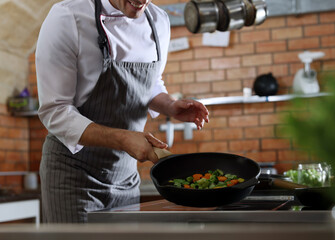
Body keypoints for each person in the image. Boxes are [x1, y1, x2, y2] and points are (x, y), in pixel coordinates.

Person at [36, 0, 209, 223]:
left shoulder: (159, 21)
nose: (141, 1)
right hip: (73, 176)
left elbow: (151, 82)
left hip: (126, 177)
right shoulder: (68, 17)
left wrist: (170, 105)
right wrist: (123, 139)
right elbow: (55, 111)